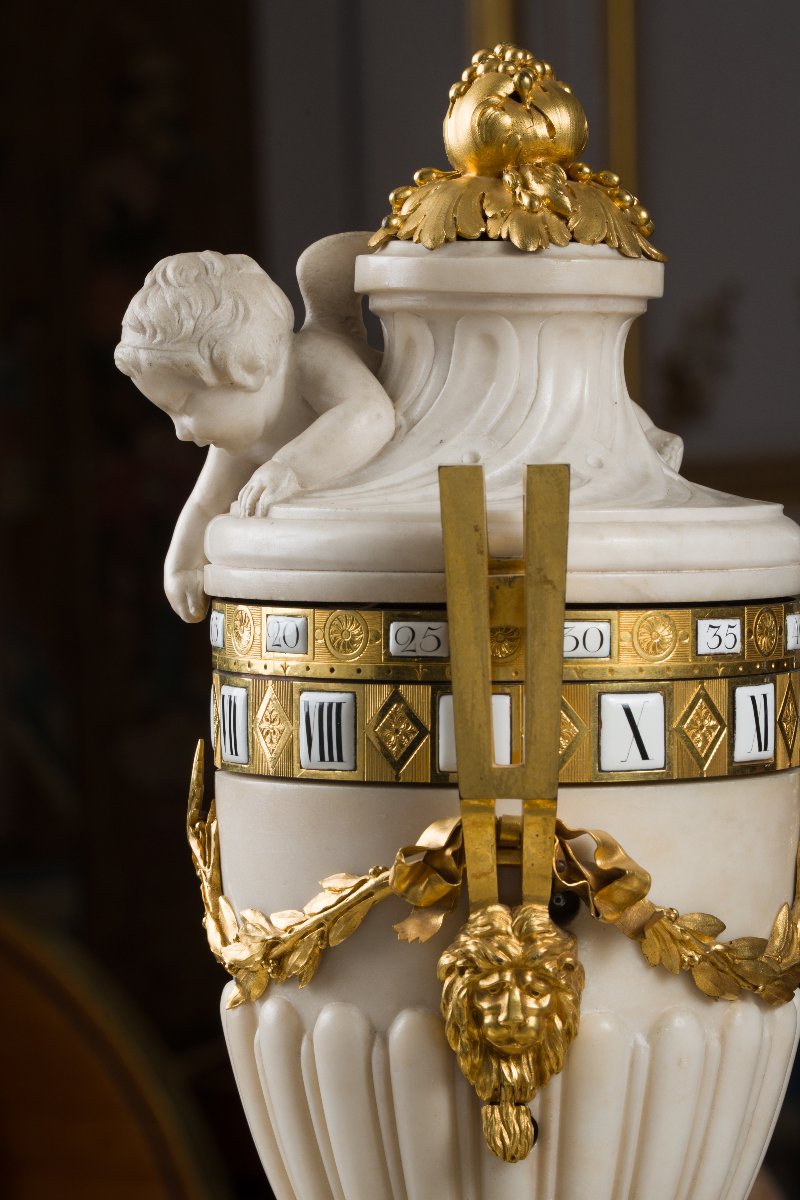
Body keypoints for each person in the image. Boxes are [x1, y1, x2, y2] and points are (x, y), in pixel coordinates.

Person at [115, 234, 394, 622]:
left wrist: (290, 468)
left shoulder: (311, 359)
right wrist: (179, 567)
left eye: (184, 407)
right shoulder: (240, 441)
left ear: (241, 364)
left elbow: (370, 413)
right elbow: (205, 504)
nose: (179, 432)